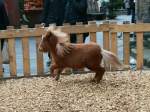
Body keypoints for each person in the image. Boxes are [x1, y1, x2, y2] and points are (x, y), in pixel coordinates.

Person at [41, 0, 66, 66]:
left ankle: (59, 57)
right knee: (51, 40)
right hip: (51, 20)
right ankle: (51, 57)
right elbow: (45, 8)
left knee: (60, 40)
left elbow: (65, 7)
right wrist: (43, 20)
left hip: (60, 21)